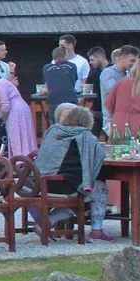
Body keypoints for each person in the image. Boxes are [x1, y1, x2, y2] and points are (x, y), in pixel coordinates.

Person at [36, 103, 112, 242]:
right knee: (97, 188)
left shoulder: (53, 131)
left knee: (83, 189)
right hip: (62, 183)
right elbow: (99, 156)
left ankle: (46, 222)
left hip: (40, 181)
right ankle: (96, 230)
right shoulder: (85, 136)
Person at [0, 64, 36, 157]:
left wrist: (2, 120)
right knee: (24, 134)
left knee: (16, 136)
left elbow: (5, 105)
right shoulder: (1, 83)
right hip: (21, 107)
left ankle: (20, 159)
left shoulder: (0, 84)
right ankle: (27, 157)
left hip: (15, 110)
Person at [106, 57, 140, 134]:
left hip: (118, 121)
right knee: (139, 144)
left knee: (117, 144)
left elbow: (109, 105)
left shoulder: (120, 83)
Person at [41, 46, 79, 113]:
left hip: (53, 99)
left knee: (55, 121)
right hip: (70, 98)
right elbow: (73, 81)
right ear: (65, 56)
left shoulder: (46, 68)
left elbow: (47, 85)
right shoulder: (72, 66)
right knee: (72, 121)